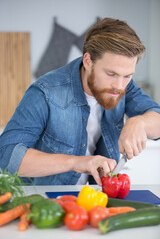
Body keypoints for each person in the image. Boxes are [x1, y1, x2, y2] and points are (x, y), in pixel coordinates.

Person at [0, 18, 160, 186]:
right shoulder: (45, 92)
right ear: (88, 61)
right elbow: (6, 155)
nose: (119, 86)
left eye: (127, 76)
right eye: (110, 74)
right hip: (46, 202)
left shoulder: (122, 85)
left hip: (97, 200)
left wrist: (140, 122)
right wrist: (77, 162)